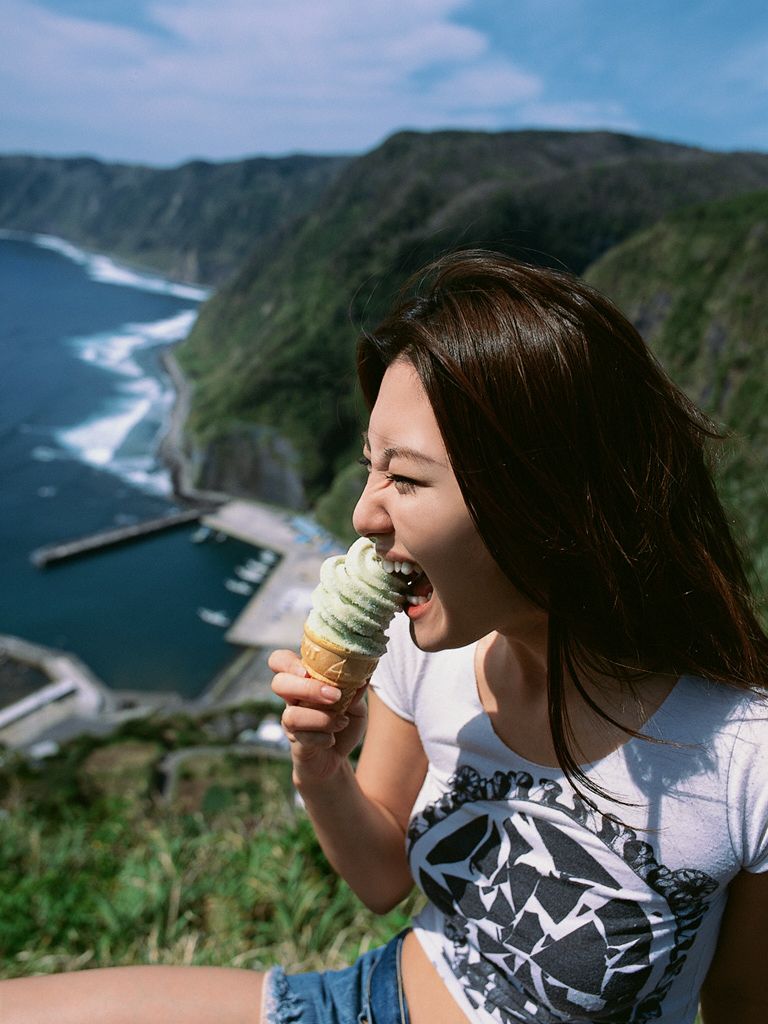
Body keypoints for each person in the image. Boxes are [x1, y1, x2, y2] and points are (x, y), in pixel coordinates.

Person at [2, 250, 767, 1024]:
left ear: (547, 499)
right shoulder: (420, 651)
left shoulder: (746, 757)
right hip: (362, 1004)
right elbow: (379, 881)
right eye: (371, 470)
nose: (364, 515)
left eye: (404, 478)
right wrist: (322, 768)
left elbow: (742, 1004)